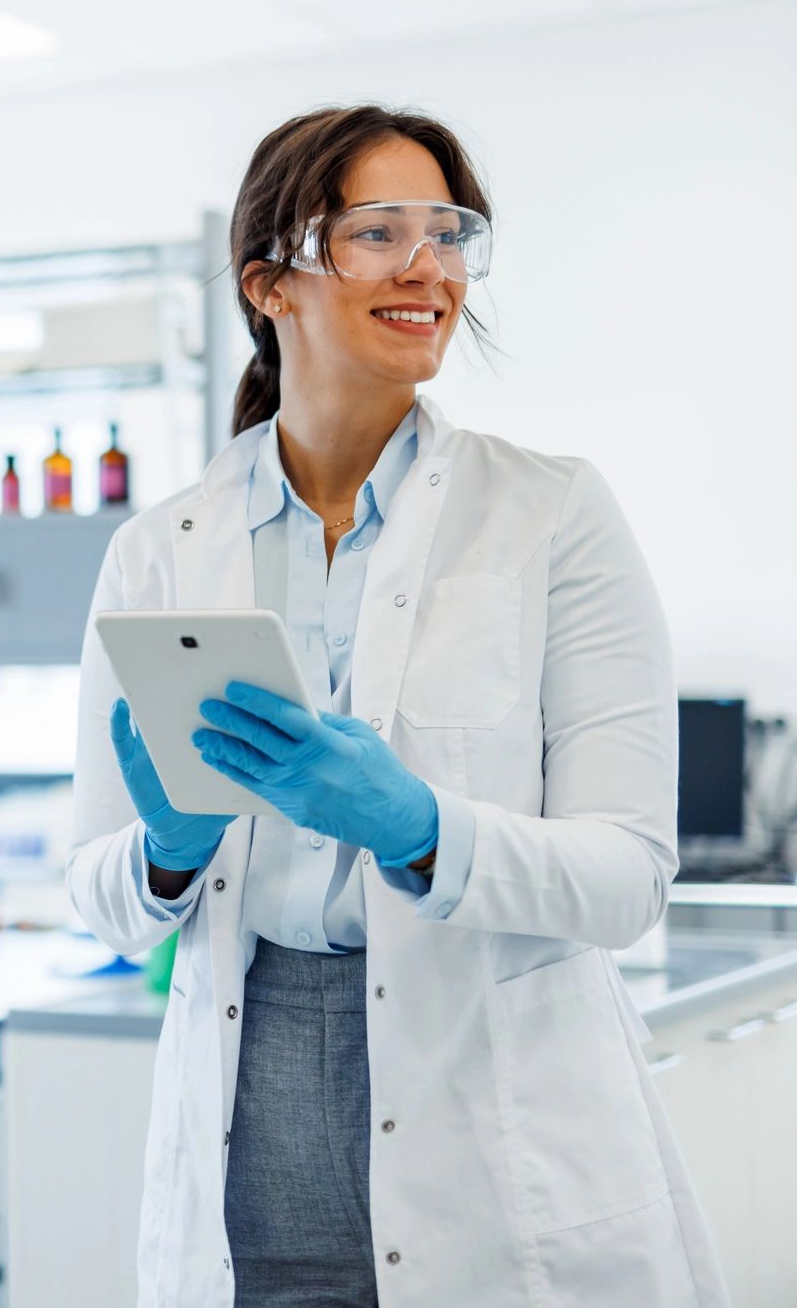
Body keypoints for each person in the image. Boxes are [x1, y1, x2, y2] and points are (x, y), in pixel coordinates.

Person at [67, 105, 724, 1305]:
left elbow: (626, 874)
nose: (428, 267)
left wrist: (419, 826)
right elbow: (96, 894)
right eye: (378, 233)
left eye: (447, 232)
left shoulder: (551, 514)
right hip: (247, 1103)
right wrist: (164, 853)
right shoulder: (158, 552)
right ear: (270, 283)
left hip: (495, 1114)